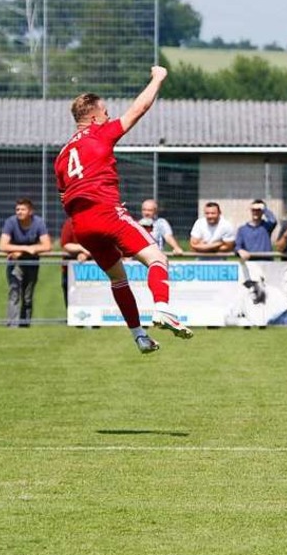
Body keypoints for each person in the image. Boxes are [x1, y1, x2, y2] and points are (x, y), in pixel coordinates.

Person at [54, 66, 192, 355]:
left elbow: (65, 195)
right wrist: (158, 78)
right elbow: (138, 109)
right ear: (93, 116)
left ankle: (139, 335)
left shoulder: (63, 155)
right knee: (157, 258)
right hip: (105, 213)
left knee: (118, 278)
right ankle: (163, 309)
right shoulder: (100, 132)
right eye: (105, 112)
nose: (108, 116)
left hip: (82, 225)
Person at [0, 198, 52, 327]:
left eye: (23, 209)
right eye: (17, 209)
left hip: (32, 262)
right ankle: (12, 325)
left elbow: (47, 246)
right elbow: (2, 246)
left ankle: (25, 324)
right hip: (15, 262)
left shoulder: (39, 222)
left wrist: (23, 251)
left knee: (28, 295)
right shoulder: (10, 222)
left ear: (30, 211)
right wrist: (26, 248)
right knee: (14, 292)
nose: (19, 212)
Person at [60, 216, 92, 309]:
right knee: (72, 302)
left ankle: (94, 323)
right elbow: (65, 245)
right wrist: (81, 249)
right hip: (70, 271)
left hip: (94, 270)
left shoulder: (98, 222)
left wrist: (86, 255)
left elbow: (103, 244)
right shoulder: (70, 223)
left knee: (92, 299)